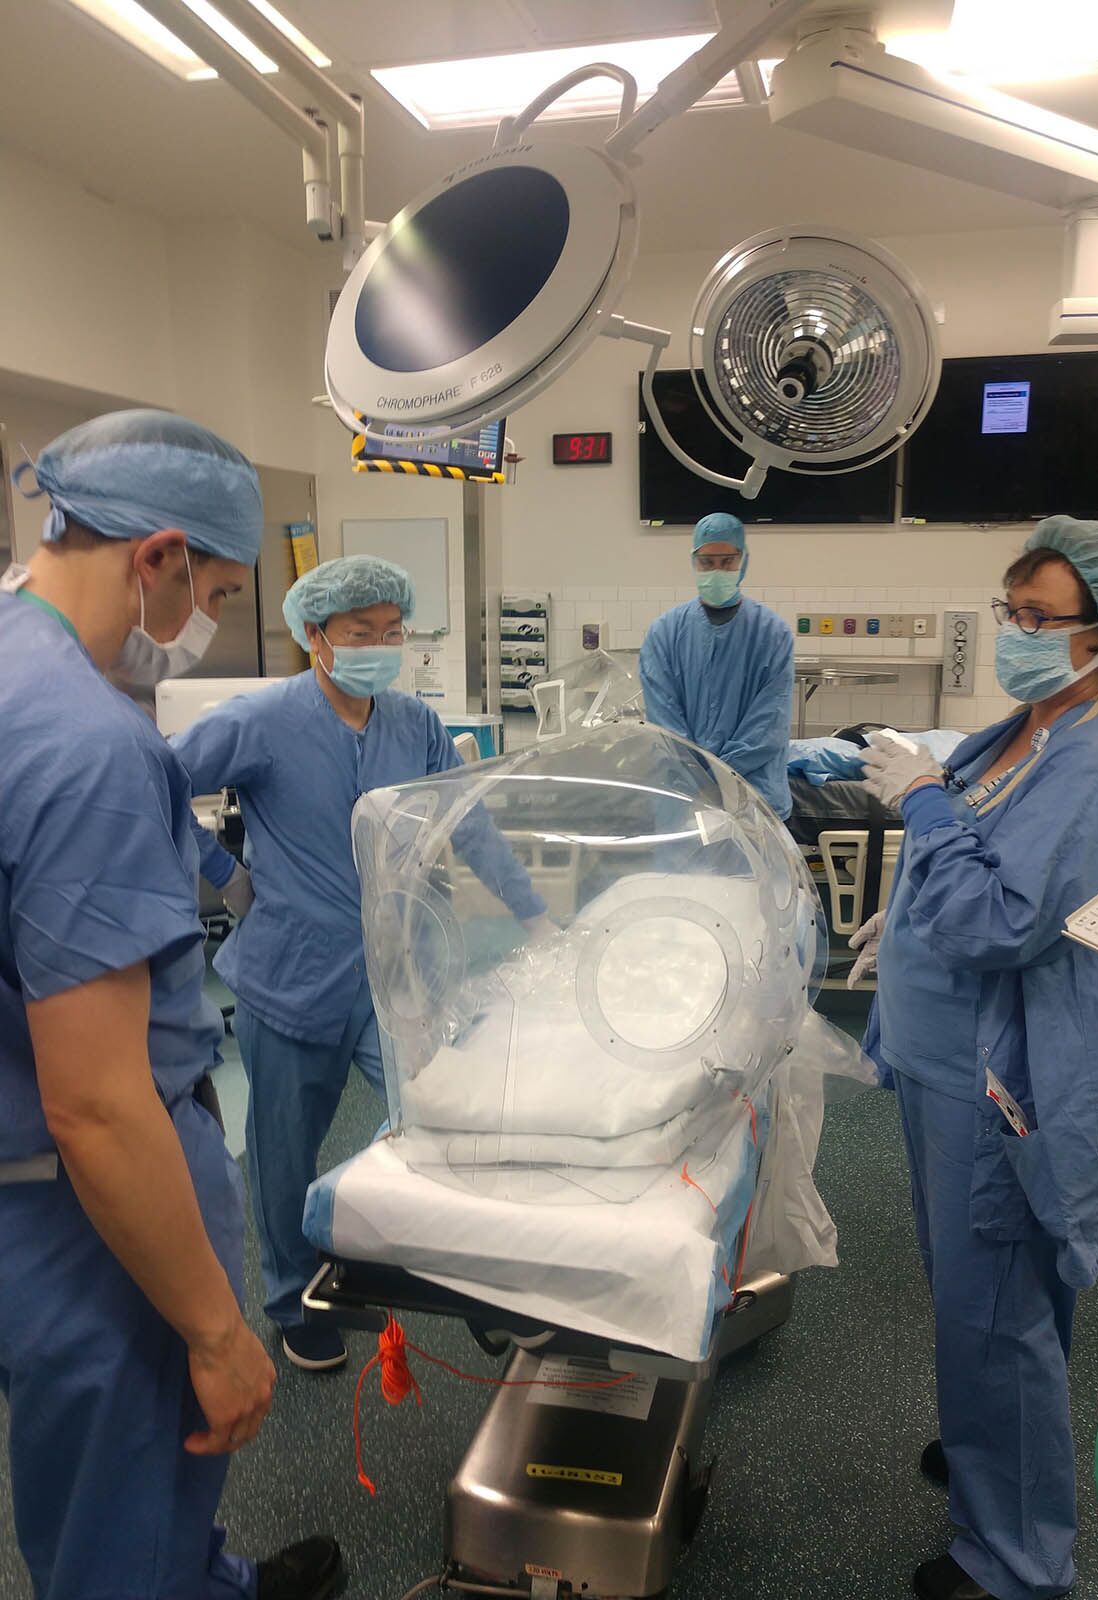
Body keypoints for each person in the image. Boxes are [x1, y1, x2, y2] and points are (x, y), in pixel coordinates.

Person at [0, 410, 342, 1600]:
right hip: (90, 1214)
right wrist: (214, 1329)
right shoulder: (86, 743)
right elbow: (96, 1102)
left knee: (106, 1494)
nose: (203, 624)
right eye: (215, 591)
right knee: (125, 1517)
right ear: (155, 557)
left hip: (27, 1185)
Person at [852, 516, 1098, 1600]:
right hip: (948, 1060)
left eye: (1042, 618)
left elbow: (998, 918)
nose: (1018, 633)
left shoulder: (1097, 760)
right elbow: (976, 856)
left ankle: (1019, 1562)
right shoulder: (1032, 725)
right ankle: (990, 1457)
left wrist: (925, 804)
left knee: (1000, 1312)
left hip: (999, 1080)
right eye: (1011, 611)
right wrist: (905, 914)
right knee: (975, 1293)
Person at [172, 555, 548, 1372]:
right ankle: (291, 1299)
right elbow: (158, 784)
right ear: (316, 637)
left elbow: (468, 822)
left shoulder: (413, 724)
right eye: (359, 633)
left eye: (391, 632)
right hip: (290, 978)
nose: (379, 646)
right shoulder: (264, 720)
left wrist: (534, 911)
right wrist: (224, 877)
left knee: (443, 1117)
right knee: (283, 1155)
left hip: (393, 976)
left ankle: (480, 1275)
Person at [640, 512, 795, 819]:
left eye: (727, 562)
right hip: (682, 795)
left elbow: (768, 724)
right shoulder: (665, 632)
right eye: (707, 563)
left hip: (752, 795)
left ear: (744, 561)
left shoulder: (772, 634)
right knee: (678, 868)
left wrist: (721, 777)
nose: (717, 571)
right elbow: (664, 721)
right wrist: (698, 778)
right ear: (694, 562)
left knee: (751, 868)